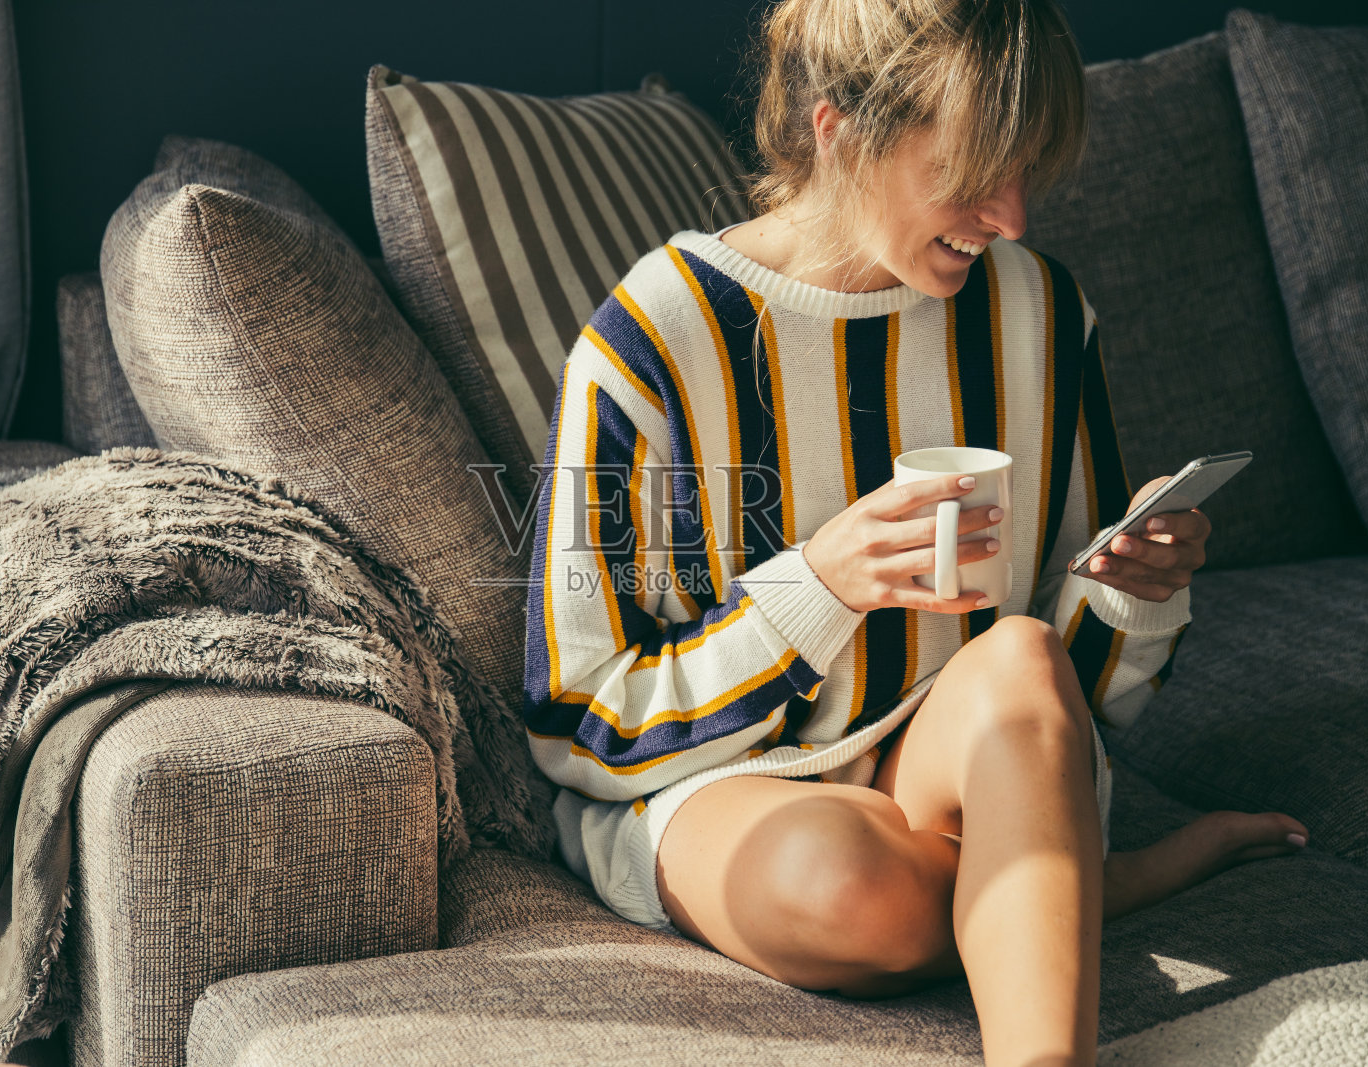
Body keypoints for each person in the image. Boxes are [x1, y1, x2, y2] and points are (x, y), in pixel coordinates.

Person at [522, 1, 1309, 1063]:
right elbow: (577, 717)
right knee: (853, 890)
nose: (1014, 216)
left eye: (1029, 169)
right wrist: (818, 583)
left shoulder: (1037, 313)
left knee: (1021, 651)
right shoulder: (655, 337)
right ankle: (1084, 886)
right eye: (976, 170)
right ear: (836, 131)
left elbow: (1074, 708)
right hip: (722, 781)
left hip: (962, 759)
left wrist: (1136, 590)